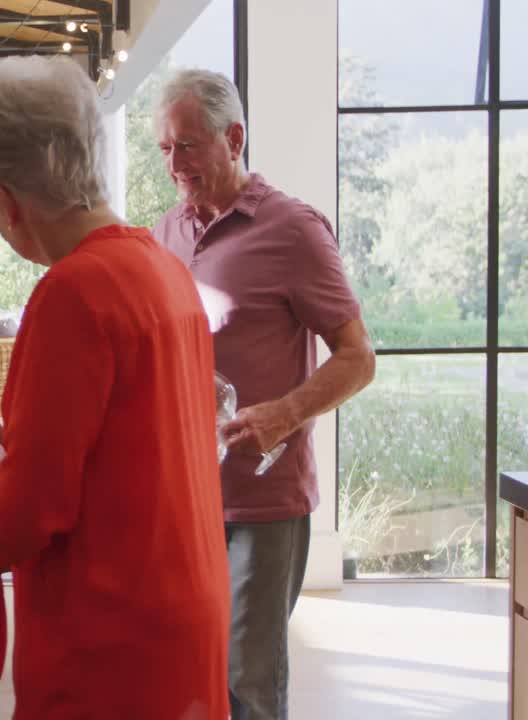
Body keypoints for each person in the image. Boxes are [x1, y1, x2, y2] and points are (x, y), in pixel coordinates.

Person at [0, 56, 229, 719]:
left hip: (108, 640)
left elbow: (26, 522)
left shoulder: (72, 293)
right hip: (183, 615)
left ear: (3, 199)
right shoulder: (163, 270)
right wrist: (13, 450)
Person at [152, 69, 376, 720]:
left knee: (247, 686)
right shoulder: (166, 233)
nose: (176, 164)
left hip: (263, 502)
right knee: (191, 678)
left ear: (235, 137)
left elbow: (359, 358)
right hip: (184, 500)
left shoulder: (294, 229)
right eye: (166, 149)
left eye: (188, 146)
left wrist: (287, 411)